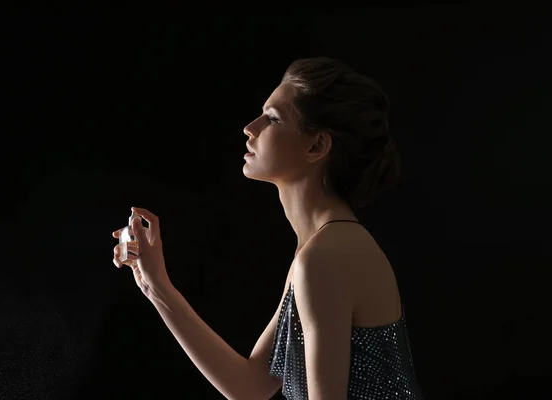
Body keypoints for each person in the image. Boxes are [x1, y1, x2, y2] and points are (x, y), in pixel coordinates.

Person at [112, 57, 424, 399]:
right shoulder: (326, 246)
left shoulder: (325, 258)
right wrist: (156, 287)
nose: (250, 127)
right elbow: (251, 386)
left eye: (272, 119)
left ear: (317, 146)